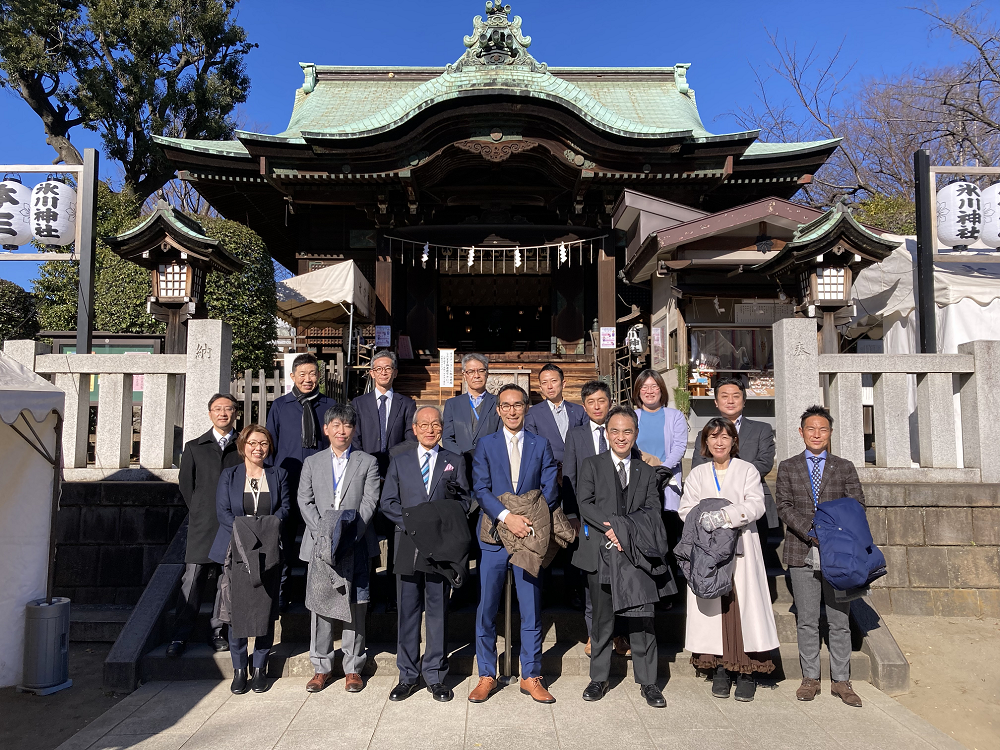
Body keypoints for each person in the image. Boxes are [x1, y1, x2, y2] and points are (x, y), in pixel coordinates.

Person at [577, 406, 674, 708]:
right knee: (602, 620)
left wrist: (626, 533)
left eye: (627, 431)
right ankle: (598, 678)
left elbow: (652, 511)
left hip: (636, 555)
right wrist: (614, 529)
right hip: (602, 553)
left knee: (643, 621)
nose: (621, 437)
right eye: (615, 431)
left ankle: (649, 683)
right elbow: (585, 504)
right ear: (607, 433)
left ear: (635, 434)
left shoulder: (645, 472)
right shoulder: (591, 465)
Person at [468, 384, 558, 704]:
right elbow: (481, 488)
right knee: (487, 607)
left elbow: (550, 487)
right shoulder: (487, 444)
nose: (511, 411)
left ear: (526, 408)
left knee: (531, 608)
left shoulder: (540, 444)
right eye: (505, 405)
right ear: (498, 410)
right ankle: (487, 674)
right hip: (494, 534)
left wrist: (528, 519)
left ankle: (531, 674)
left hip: (529, 535)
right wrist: (508, 517)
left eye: (517, 405)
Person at [678, 418, 779, 702]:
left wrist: (725, 516)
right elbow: (686, 509)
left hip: (742, 545)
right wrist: (704, 517)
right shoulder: (698, 473)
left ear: (734, 440)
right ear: (705, 443)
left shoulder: (746, 469)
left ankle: (746, 671)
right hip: (708, 550)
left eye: (725, 436)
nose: (719, 442)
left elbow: (756, 503)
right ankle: (720, 667)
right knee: (714, 605)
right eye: (713, 437)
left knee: (742, 606)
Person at [776, 405, 866, 708]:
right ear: (801, 433)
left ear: (830, 433)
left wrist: (832, 533)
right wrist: (813, 532)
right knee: (807, 619)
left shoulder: (844, 467)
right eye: (810, 429)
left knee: (840, 620)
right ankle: (810, 678)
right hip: (801, 549)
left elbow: (857, 505)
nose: (816, 434)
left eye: (822, 429)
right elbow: (784, 506)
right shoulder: (788, 467)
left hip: (839, 554)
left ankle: (841, 680)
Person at [379, 405, 470, 703]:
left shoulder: (454, 460)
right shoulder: (399, 461)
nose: (430, 429)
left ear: (442, 428)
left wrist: (441, 522)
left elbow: (465, 501)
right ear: (415, 429)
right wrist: (416, 525)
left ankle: (435, 674)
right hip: (407, 542)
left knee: (437, 610)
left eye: (435, 424)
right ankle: (407, 675)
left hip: (441, 547)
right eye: (424, 425)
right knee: (407, 611)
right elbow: (388, 501)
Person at [297, 403, 381, 694]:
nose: (341, 430)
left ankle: (353, 666)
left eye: (347, 426)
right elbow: (304, 501)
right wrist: (325, 535)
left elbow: (369, 502)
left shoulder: (367, 462)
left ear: (353, 430)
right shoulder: (312, 462)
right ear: (326, 429)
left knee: (356, 605)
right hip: (319, 545)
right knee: (320, 605)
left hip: (355, 542)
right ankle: (321, 666)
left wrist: (347, 535)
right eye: (336, 425)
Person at [209, 424, 290, 695]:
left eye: (264, 443)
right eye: (253, 443)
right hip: (237, 553)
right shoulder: (229, 475)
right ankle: (239, 668)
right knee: (238, 612)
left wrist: (264, 531)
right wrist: (248, 533)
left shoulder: (279, 475)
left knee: (265, 611)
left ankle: (259, 667)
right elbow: (223, 512)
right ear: (243, 445)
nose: (259, 448)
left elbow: (285, 509)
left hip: (268, 552)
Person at [167, 393, 243, 658]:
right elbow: (186, 486)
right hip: (202, 523)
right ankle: (180, 635)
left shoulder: (244, 446)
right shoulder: (195, 447)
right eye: (217, 409)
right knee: (193, 579)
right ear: (209, 413)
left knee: (226, 579)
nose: (223, 413)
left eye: (228, 409)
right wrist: (199, 509)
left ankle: (218, 632)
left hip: (231, 524)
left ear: (236, 413)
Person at [266, 352, 337, 607]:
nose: (308, 379)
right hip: (287, 479)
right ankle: (282, 593)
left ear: (319, 376)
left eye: (313, 374)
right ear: (293, 377)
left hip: (319, 483)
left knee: (318, 537)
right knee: (283, 539)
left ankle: (315, 592)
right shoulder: (280, 406)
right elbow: (270, 444)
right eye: (302, 374)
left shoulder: (329, 405)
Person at [562, 380, 626, 655]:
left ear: (609, 402)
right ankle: (595, 634)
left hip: (618, 518)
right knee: (592, 580)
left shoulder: (619, 431)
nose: (597, 406)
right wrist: (572, 514)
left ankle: (618, 635)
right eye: (591, 402)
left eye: (601, 400)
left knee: (620, 579)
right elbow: (569, 476)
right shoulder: (576, 435)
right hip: (587, 518)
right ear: (584, 406)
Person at [351, 349, 418, 612]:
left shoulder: (406, 403)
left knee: (394, 535)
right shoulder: (359, 403)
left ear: (395, 372)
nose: (383, 372)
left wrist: (385, 457)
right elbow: (353, 438)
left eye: (388, 368)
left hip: (395, 476)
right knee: (365, 532)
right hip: (364, 478)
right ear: (371, 373)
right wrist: (368, 462)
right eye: (378, 368)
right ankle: (366, 592)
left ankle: (392, 593)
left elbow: (410, 440)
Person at [691, 377, 777, 528]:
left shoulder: (761, 429)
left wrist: (734, 478)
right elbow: (698, 465)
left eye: (736, 396)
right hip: (713, 501)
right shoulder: (705, 433)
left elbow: (765, 462)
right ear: (716, 402)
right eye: (724, 396)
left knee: (754, 550)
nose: (730, 401)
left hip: (751, 501)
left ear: (744, 401)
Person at [632, 369, 688, 503]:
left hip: (666, 480)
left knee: (667, 520)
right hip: (638, 479)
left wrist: (662, 470)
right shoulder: (632, 416)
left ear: (661, 389)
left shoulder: (675, 416)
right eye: (644, 387)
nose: (649, 391)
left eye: (654, 386)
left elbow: (679, 446)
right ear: (638, 391)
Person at [442, 353, 501, 470]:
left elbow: (500, 436)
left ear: (487, 373)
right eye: (471, 371)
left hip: (490, 465)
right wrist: (461, 458)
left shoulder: (498, 403)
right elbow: (447, 438)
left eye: (481, 371)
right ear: (464, 375)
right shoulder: (452, 404)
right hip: (459, 465)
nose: (476, 375)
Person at [524, 363, 587, 467]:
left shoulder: (579, 411)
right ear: (541, 387)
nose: (549, 387)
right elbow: (533, 447)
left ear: (563, 383)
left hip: (577, 469)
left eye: (554, 381)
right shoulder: (533, 413)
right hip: (548, 470)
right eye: (544, 383)